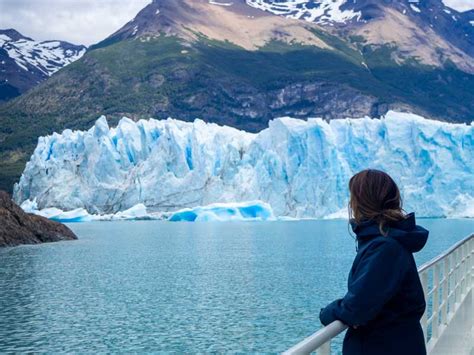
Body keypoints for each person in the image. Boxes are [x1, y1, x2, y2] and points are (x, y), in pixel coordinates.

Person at [319, 169, 429, 355]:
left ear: (363, 201)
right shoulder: (388, 241)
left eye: (353, 197)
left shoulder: (385, 247)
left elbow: (357, 308)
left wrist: (328, 312)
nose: (350, 204)